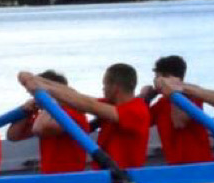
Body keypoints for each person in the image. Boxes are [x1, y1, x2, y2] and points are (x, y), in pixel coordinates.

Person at [19, 63, 151, 169]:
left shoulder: (136, 110)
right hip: (104, 176)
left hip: (124, 179)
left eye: (104, 85)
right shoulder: (112, 105)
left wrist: (47, 92)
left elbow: (89, 105)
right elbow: (76, 96)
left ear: (115, 87)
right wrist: (37, 81)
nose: (103, 89)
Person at [7, 69, 91, 174]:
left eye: (35, 93)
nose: (33, 97)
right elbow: (13, 135)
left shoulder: (73, 112)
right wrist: (26, 111)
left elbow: (41, 129)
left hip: (71, 175)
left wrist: (49, 102)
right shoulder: (45, 115)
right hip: (49, 175)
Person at [144, 54, 214, 165]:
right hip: (174, 163)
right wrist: (145, 99)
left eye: (158, 77)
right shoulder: (162, 103)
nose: (155, 81)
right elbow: (142, 121)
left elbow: (179, 122)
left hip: (198, 163)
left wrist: (172, 90)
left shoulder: (191, 97)